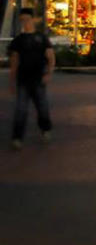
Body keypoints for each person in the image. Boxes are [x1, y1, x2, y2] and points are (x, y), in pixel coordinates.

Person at [8, 8, 53, 150]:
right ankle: (17, 138)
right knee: (20, 109)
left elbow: (51, 57)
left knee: (42, 107)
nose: (25, 23)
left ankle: (45, 130)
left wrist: (48, 73)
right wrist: (12, 80)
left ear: (33, 19)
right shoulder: (18, 40)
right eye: (22, 20)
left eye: (27, 19)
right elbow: (14, 61)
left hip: (38, 79)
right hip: (23, 79)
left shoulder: (41, 38)